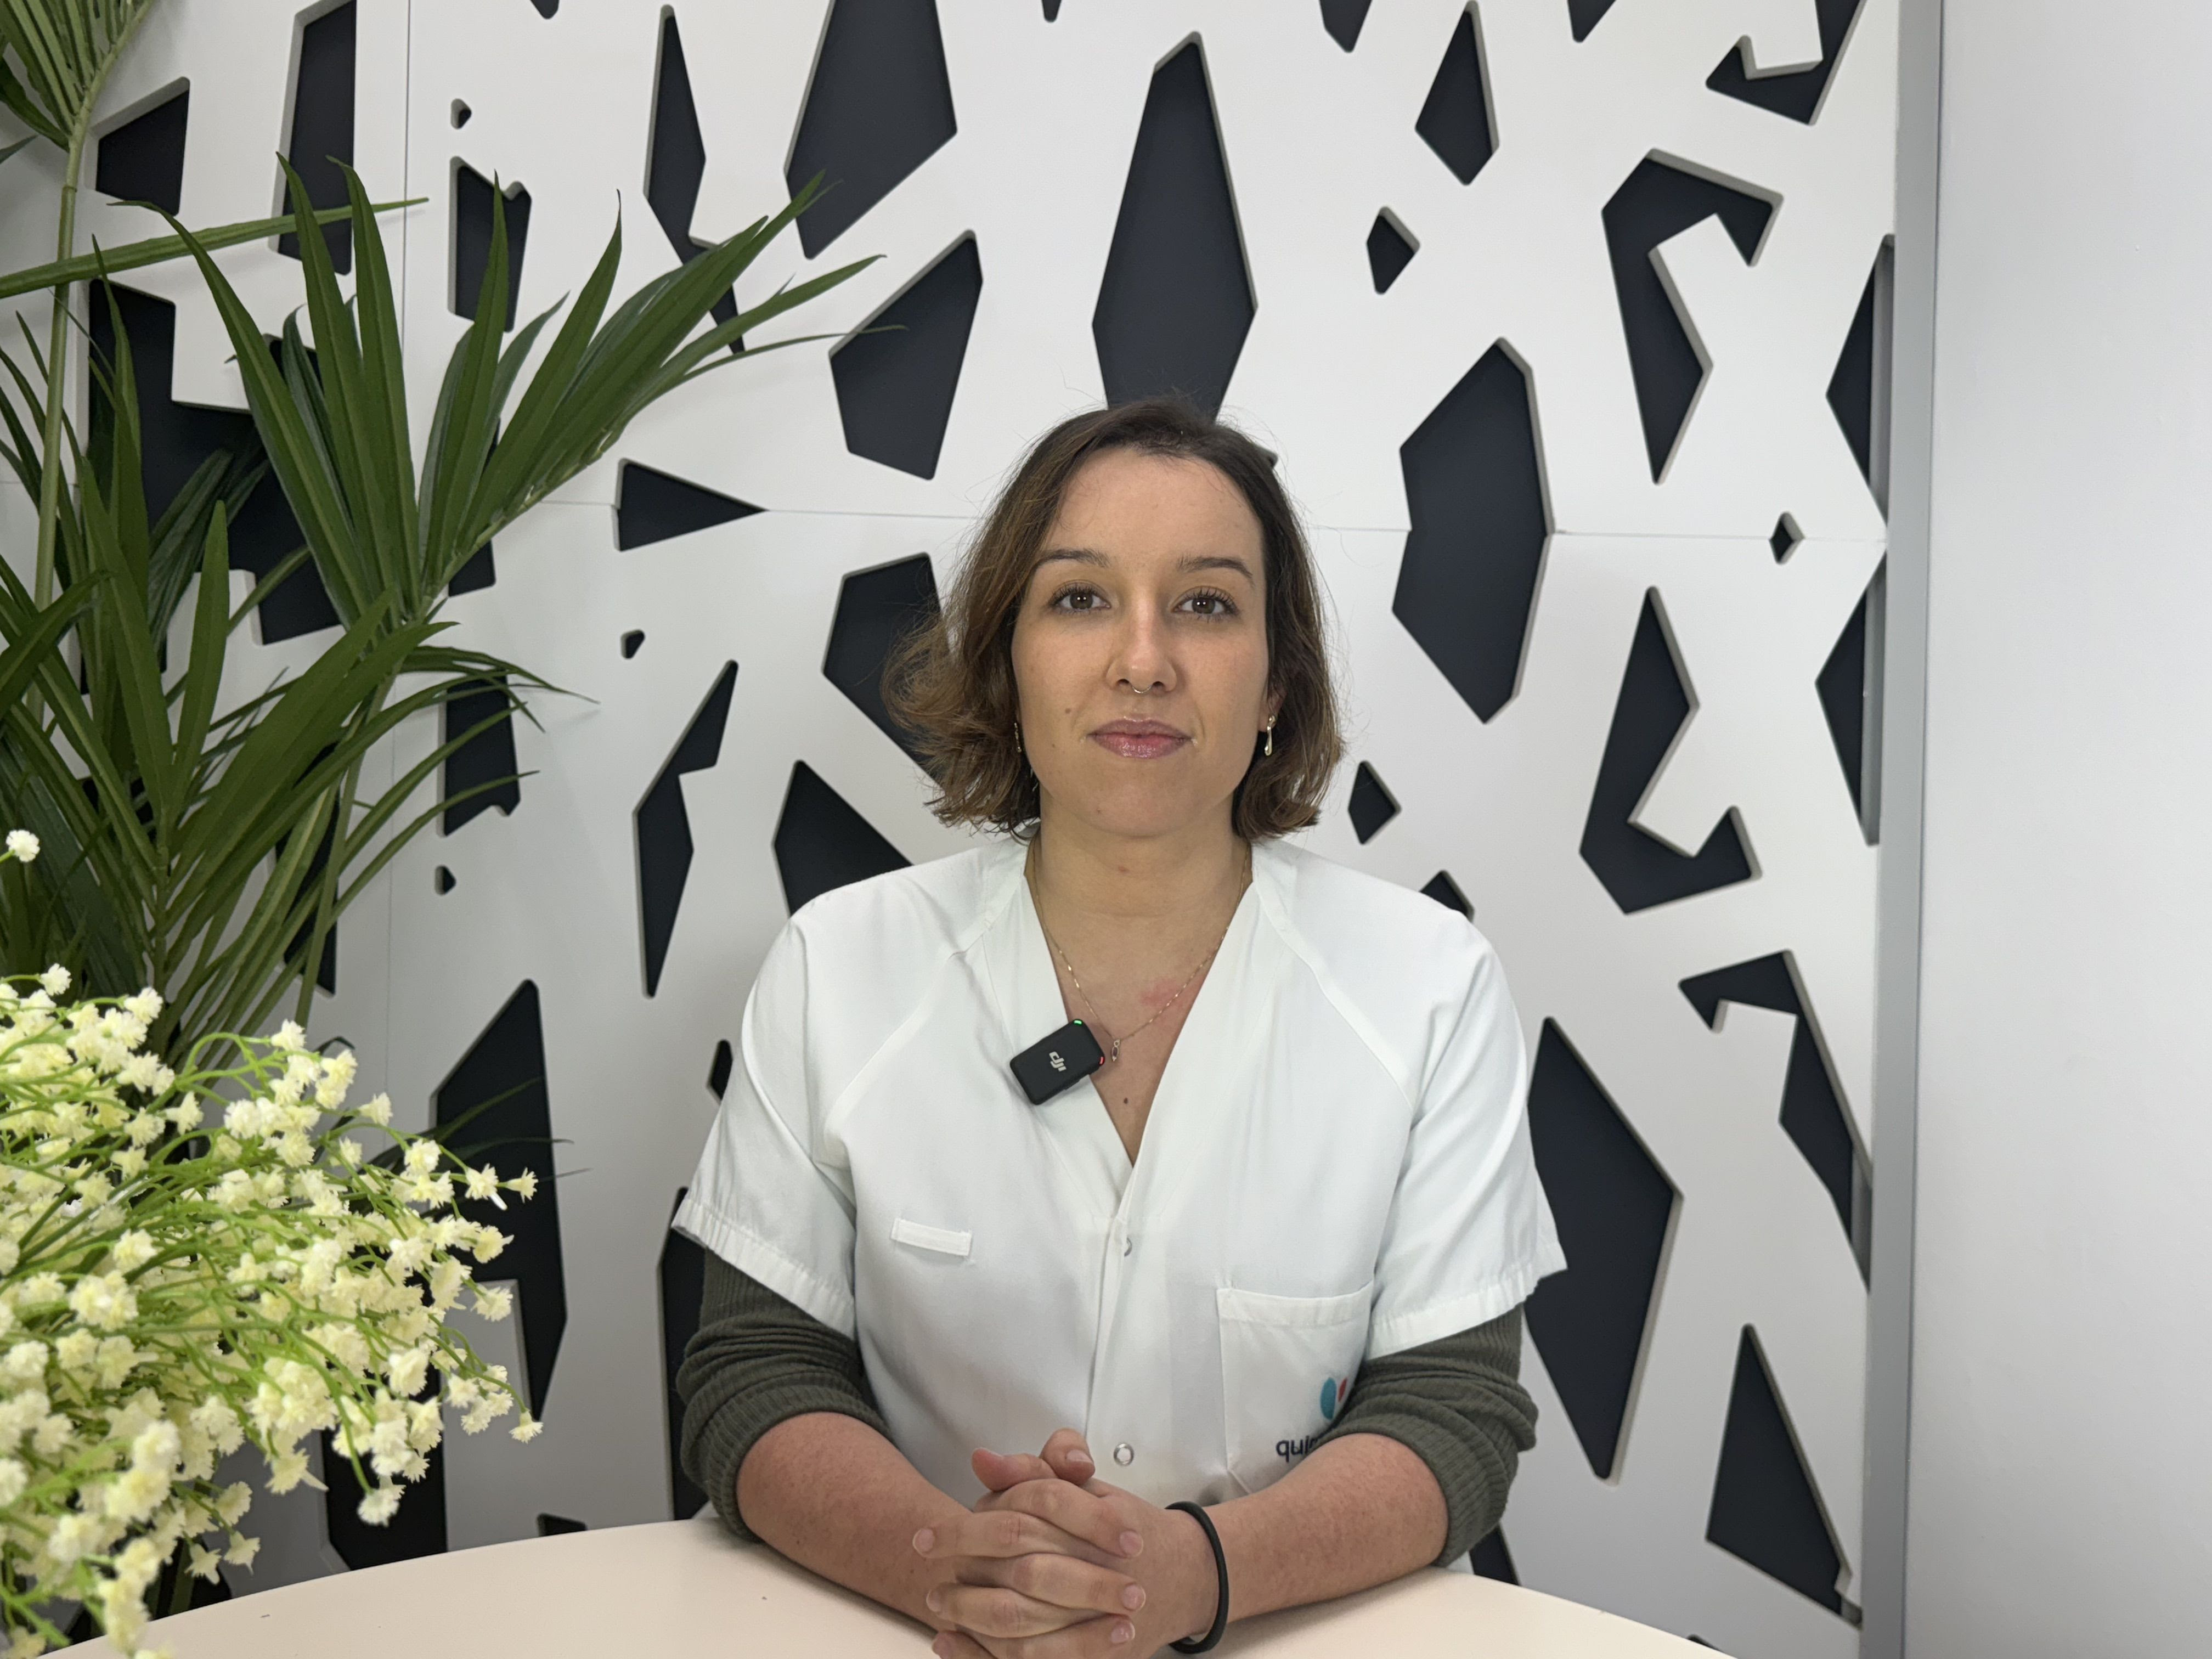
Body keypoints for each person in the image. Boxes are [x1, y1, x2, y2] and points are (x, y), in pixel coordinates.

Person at [673, 397, 1564, 1658]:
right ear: (1008, 663)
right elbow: (754, 1371)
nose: (1143, 660)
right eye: (1081, 598)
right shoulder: (841, 965)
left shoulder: (1428, 986)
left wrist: (1192, 1574)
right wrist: (948, 1566)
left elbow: (1453, 1410)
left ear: (1277, 680)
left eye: (1205, 604)